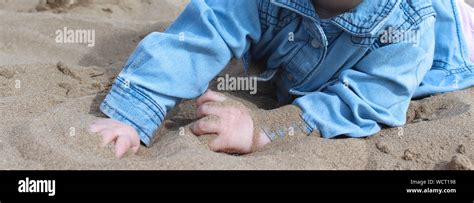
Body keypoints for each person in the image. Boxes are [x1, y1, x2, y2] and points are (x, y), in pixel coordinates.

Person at [89, 0, 474, 158]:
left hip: (451, 40)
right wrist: (135, 111)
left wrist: (268, 127)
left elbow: (367, 103)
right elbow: (206, 29)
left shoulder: (410, 23)